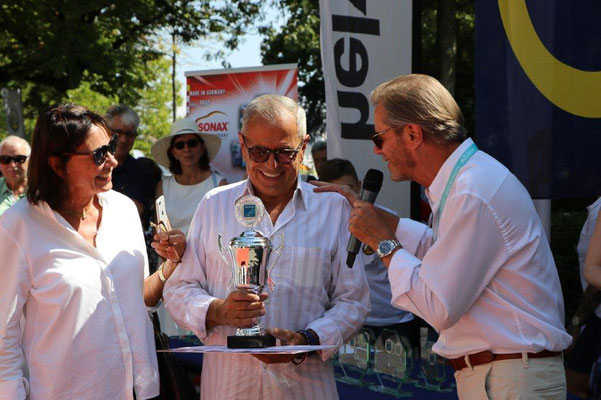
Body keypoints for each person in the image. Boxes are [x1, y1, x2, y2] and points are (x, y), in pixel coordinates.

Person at [316, 74, 571, 399]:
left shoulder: (472, 190)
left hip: (510, 376)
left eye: (379, 137)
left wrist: (383, 242)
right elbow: (441, 253)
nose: (377, 150)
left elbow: (438, 305)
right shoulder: (468, 180)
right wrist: (380, 220)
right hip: (506, 373)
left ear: (413, 134)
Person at [162, 94, 369, 399]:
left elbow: (354, 300)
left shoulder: (332, 208)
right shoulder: (214, 205)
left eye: (285, 153)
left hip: (305, 387)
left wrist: (308, 340)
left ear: (303, 147)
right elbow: (178, 290)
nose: (272, 165)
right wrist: (220, 311)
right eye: (259, 152)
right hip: (229, 386)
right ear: (242, 145)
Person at [0, 104, 183, 399]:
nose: (113, 160)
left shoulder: (123, 209)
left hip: (138, 390)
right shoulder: (16, 226)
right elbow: (3, 338)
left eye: (110, 147)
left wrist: (171, 265)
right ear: (57, 164)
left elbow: (139, 301)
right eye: (99, 154)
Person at [318, 158, 418, 347]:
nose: (343, 197)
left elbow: (411, 263)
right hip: (352, 321)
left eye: (348, 189)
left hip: (395, 320)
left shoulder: (384, 219)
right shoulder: (323, 226)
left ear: (359, 186)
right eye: (336, 192)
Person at [151, 117, 226, 236]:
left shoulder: (218, 184)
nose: (186, 149)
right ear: (173, 152)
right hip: (171, 248)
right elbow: (159, 227)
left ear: (202, 148)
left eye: (192, 143)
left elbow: (224, 227)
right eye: (179, 145)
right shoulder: (163, 186)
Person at [565, 197, 601, 398]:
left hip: (597, 317)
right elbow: (593, 270)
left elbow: (595, 279)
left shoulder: (597, 212)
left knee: (575, 383)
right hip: (595, 316)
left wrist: (576, 323)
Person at [106, 104, 157, 218]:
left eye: (129, 134)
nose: (123, 139)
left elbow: (133, 211)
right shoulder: (90, 163)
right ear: (105, 131)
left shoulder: (142, 171)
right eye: (117, 132)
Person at [0, 135, 30, 215]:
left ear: (30, 160)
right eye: (5, 159)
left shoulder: (42, 190)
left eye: (19, 159)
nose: (12, 165)